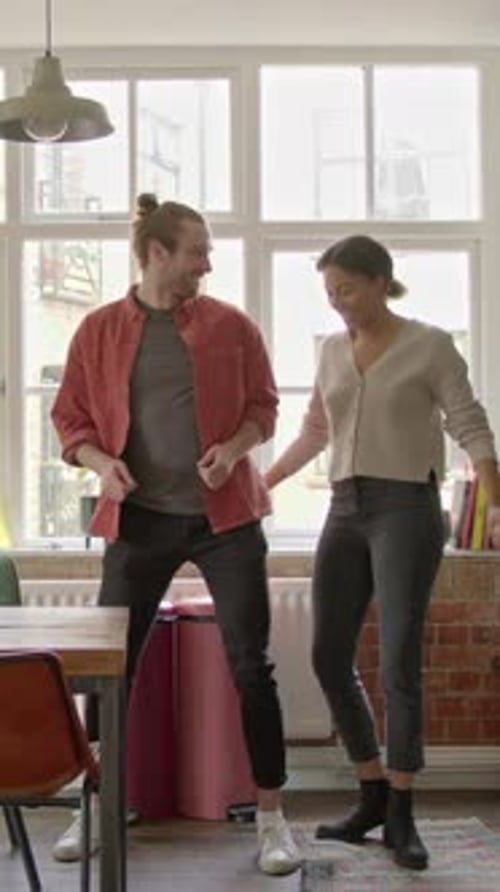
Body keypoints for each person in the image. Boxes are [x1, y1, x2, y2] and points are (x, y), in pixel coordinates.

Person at [51, 193, 301, 877]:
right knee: (110, 673)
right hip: (140, 522)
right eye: (198, 252)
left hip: (228, 522)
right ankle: (91, 813)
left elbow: (265, 407)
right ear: (158, 253)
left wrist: (237, 445)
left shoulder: (231, 327)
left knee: (252, 666)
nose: (207, 265)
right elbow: (70, 420)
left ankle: (274, 821)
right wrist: (102, 465)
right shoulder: (98, 331)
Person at [265, 234, 500, 871]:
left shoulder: (430, 344)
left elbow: (469, 421)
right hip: (344, 508)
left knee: (398, 657)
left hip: (407, 509)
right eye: (329, 293)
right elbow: (317, 429)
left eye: (346, 289)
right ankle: (370, 790)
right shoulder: (333, 351)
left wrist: (495, 495)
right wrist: (264, 482)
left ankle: (402, 808)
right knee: (327, 654)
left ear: (379, 281)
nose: (338, 303)